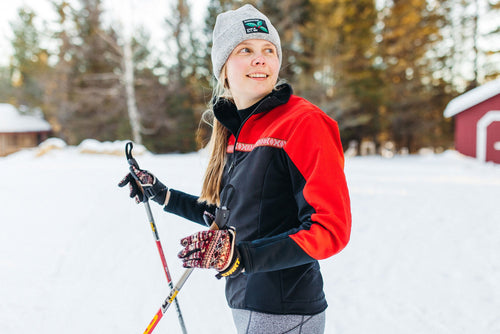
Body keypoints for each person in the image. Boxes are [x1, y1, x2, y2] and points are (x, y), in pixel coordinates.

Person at [119, 4, 351, 333]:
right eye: (246, 49)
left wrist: (241, 257)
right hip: (245, 301)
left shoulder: (304, 123)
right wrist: (162, 194)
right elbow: (229, 218)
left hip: (285, 311)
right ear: (223, 66)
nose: (261, 58)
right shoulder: (236, 129)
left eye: (268, 50)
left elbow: (331, 230)